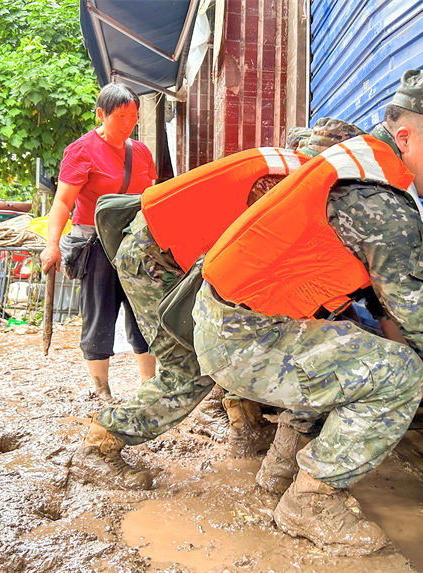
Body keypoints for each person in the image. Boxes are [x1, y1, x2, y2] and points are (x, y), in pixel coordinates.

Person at [191, 70, 423, 555]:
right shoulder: (380, 202)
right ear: (405, 136)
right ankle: (312, 498)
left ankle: (278, 474)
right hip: (242, 337)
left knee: (353, 357)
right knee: (397, 370)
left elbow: (390, 308)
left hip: (233, 321)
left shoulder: (360, 165)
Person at [70, 119, 364, 487]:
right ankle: (98, 448)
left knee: (231, 337)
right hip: (158, 258)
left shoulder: (285, 164)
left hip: (159, 248)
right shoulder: (290, 184)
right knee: (192, 368)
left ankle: (247, 426)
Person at [40, 83, 157, 401]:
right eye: (121, 116)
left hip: (135, 246)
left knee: (143, 313)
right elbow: (63, 203)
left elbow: (151, 199)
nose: (129, 123)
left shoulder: (142, 152)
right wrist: (52, 244)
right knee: (99, 315)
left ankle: (149, 385)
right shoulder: (81, 150)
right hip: (94, 246)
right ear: (100, 115)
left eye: (133, 116)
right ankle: (102, 390)